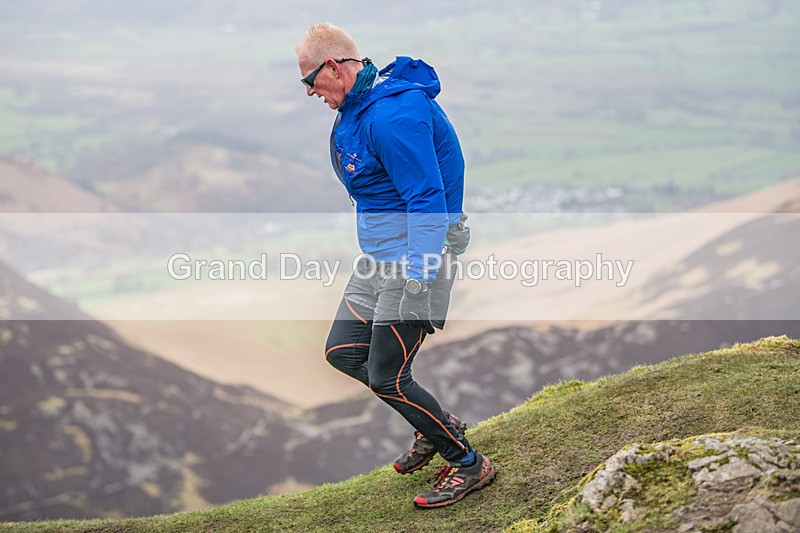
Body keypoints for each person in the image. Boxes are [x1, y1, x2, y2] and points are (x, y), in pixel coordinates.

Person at [295, 22, 495, 508]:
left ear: (335, 67)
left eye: (309, 81)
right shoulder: (359, 105)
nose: (309, 93)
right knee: (343, 351)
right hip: (381, 259)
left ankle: (468, 464)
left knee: (388, 377)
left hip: (415, 261)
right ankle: (435, 425)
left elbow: (426, 199)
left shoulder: (391, 116)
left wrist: (420, 276)